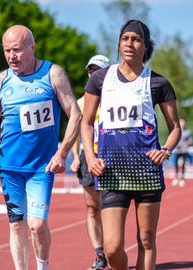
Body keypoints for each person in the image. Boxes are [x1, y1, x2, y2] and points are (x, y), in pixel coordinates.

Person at [81, 19, 181, 270]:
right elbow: (87, 123)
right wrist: (91, 158)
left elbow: (175, 128)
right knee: (113, 249)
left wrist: (166, 150)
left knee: (146, 241)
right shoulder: (100, 79)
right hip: (111, 171)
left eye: (136, 39)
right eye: (125, 38)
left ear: (146, 46)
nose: (129, 43)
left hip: (146, 170)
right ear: (119, 42)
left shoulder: (158, 83)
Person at [0, 25, 82, 270]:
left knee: (36, 225)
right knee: (16, 225)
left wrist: (62, 153)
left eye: (17, 50)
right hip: (10, 167)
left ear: (32, 47)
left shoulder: (52, 74)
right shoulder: (2, 80)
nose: (11, 56)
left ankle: (42, 266)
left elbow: (76, 114)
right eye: (7, 51)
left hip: (41, 167)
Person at [70, 54, 110, 270]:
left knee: (112, 207)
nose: (93, 74)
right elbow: (75, 133)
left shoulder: (116, 97)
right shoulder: (80, 102)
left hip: (112, 157)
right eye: (90, 70)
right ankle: (100, 254)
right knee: (92, 207)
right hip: (88, 157)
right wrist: (75, 157)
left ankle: (114, 249)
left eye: (98, 70)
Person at [172, 118, 192, 187]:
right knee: (175, 165)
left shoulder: (187, 132)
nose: (182, 124)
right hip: (176, 151)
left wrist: (187, 143)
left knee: (183, 165)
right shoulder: (175, 131)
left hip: (184, 151)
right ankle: (176, 178)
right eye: (181, 122)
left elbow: (190, 141)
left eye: (183, 123)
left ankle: (182, 178)